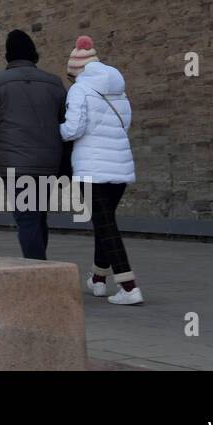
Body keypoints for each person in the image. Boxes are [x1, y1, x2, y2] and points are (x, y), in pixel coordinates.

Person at [61, 35, 142, 305]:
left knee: (106, 225)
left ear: (76, 71)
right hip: (119, 164)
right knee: (103, 222)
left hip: (92, 167)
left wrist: (57, 131)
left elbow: (74, 129)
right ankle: (98, 279)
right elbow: (125, 122)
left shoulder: (79, 90)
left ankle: (129, 287)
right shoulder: (118, 88)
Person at [0, 29, 68, 260]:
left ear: (8, 56)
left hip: (17, 164)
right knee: (38, 217)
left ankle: (39, 276)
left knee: (27, 219)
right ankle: (41, 268)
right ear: (34, 54)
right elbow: (67, 126)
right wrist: (66, 164)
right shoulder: (54, 84)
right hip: (48, 162)